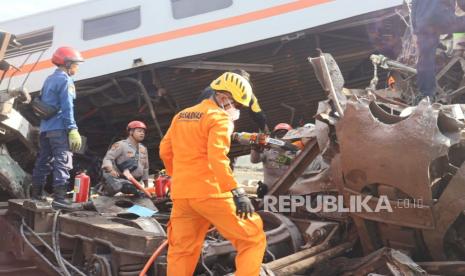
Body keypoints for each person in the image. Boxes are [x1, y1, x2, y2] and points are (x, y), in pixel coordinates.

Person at [160, 72, 266, 276]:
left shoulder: (181, 115)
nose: (238, 110)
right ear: (224, 97)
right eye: (238, 105)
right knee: (252, 239)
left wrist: (179, 176)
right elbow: (217, 158)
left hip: (182, 195)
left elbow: (165, 150)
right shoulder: (220, 119)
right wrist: (238, 192)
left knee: (182, 251)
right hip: (212, 192)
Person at [31, 46, 84, 210]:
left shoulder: (49, 79)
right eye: (75, 64)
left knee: (43, 161)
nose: (77, 67)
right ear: (67, 63)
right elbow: (67, 107)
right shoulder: (65, 80)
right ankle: (60, 199)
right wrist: (72, 129)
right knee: (63, 161)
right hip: (59, 128)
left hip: (45, 129)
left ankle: (36, 194)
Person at [412, 0, 465, 100]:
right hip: (441, 19)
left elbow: (414, 8)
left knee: (425, 59)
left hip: (422, 23)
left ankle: (426, 94)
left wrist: (415, 31)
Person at [197, 69, 269, 132]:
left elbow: (258, 114)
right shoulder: (246, 93)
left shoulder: (211, 87)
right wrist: (265, 130)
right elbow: (257, 113)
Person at [101, 121, 150, 195]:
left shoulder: (143, 149)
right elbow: (108, 159)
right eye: (139, 131)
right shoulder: (121, 145)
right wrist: (110, 170)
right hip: (121, 183)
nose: (142, 133)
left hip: (136, 184)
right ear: (131, 132)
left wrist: (146, 186)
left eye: (143, 132)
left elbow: (145, 168)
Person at [250, 123, 298, 196]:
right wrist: (254, 148)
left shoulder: (297, 153)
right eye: (279, 134)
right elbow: (254, 160)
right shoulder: (267, 151)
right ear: (275, 136)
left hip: (291, 193)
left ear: (291, 137)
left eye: (285, 134)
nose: (282, 137)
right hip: (269, 193)